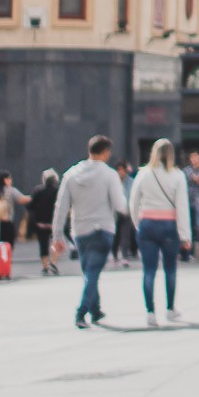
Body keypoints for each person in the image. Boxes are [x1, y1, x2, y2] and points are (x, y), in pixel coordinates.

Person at [52, 137, 128, 328]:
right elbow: (120, 205)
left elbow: (61, 207)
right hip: (102, 229)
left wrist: (57, 235)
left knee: (89, 271)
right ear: (105, 153)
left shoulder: (71, 174)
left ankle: (95, 310)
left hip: (79, 231)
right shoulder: (110, 175)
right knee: (92, 273)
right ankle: (81, 312)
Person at [130, 138, 193, 325]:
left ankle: (150, 312)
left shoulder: (143, 174)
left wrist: (138, 223)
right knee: (170, 270)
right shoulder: (177, 175)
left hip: (147, 224)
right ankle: (170, 309)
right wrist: (185, 235)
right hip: (169, 226)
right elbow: (182, 207)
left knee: (148, 270)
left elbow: (133, 202)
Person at [28, 169, 60, 275]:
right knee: (55, 242)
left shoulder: (37, 191)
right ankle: (53, 263)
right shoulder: (57, 191)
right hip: (54, 223)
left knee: (43, 245)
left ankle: (45, 266)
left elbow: (30, 206)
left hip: (41, 223)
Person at [0, 171, 30, 247]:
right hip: (7, 222)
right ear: (5, 180)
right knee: (8, 246)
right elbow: (21, 199)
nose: (11, 180)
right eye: (9, 178)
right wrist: (34, 197)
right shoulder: (11, 190)